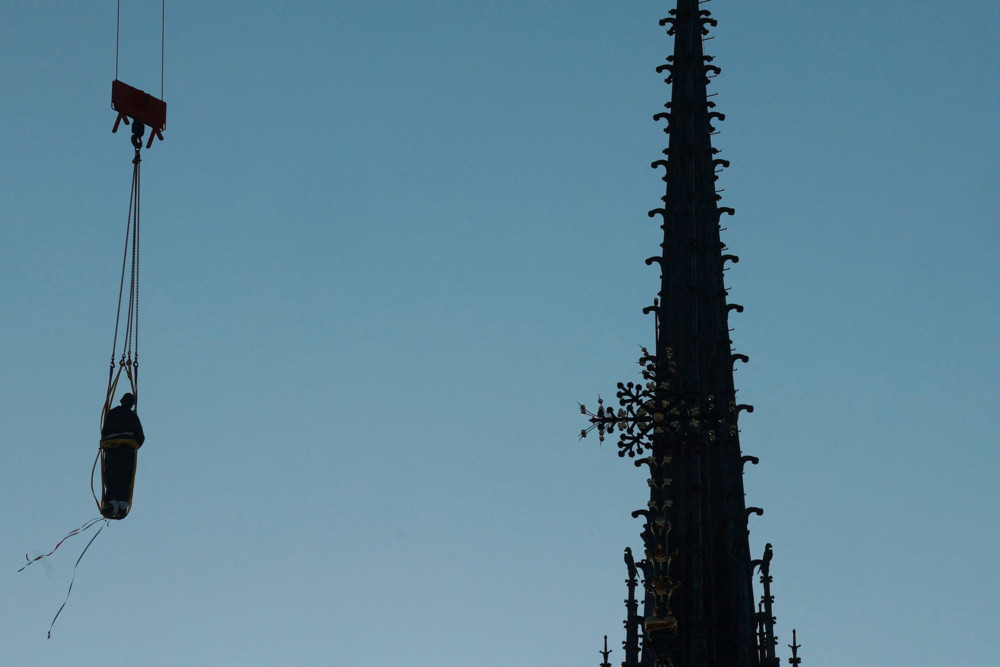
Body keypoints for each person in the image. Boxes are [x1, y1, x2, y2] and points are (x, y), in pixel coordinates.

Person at [100, 393, 145, 518]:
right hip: (126, 449)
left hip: (112, 448)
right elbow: (140, 436)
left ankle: (111, 502)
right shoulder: (132, 416)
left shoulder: (112, 413)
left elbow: (104, 431)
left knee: (111, 474)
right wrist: (133, 446)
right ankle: (121, 503)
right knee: (125, 476)